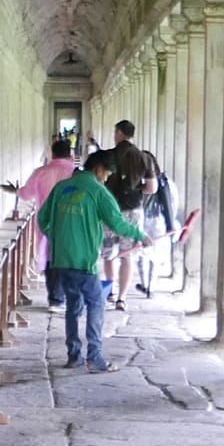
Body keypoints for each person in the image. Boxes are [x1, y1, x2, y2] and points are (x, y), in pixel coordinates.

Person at [37, 148, 145, 372]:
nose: (106, 179)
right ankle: (94, 357)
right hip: (83, 262)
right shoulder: (97, 191)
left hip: (61, 260)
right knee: (96, 304)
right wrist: (141, 236)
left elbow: (42, 218)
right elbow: (118, 224)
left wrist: (58, 238)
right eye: (106, 175)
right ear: (98, 170)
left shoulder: (61, 187)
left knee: (72, 306)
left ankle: (73, 355)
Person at [7, 133, 79, 307]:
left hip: (45, 221)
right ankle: (70, 294)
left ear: (52, 155)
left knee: (49, 257)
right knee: (69, 255)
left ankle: (55, 298)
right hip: (70, 219)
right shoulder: (75, 174)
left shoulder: (40, 172)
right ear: (70, 155)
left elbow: (26, 194)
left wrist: (15, 191)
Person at [105, 120, 155, 316]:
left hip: (110, 210)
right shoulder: (143, 158)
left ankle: (110, 291)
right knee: (127, 255)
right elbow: (152, 188)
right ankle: (122, 298)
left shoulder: (108, 156)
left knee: (108, 254)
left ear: (119, 133)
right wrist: (136, 189)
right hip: (134, 210)